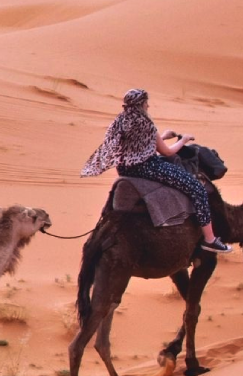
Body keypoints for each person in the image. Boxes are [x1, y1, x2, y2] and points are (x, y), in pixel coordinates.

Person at [82, 88, 230, 253]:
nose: (148, 106)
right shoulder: (146, 123)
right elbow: (166, 152)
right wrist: (184, 140)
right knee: (197, 189)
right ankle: (210, 240)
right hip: (146, 167)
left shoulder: (119, 122)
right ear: (142, 104)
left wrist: (162, 137)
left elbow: (135, 146)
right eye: (146, 103)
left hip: (125, 169)